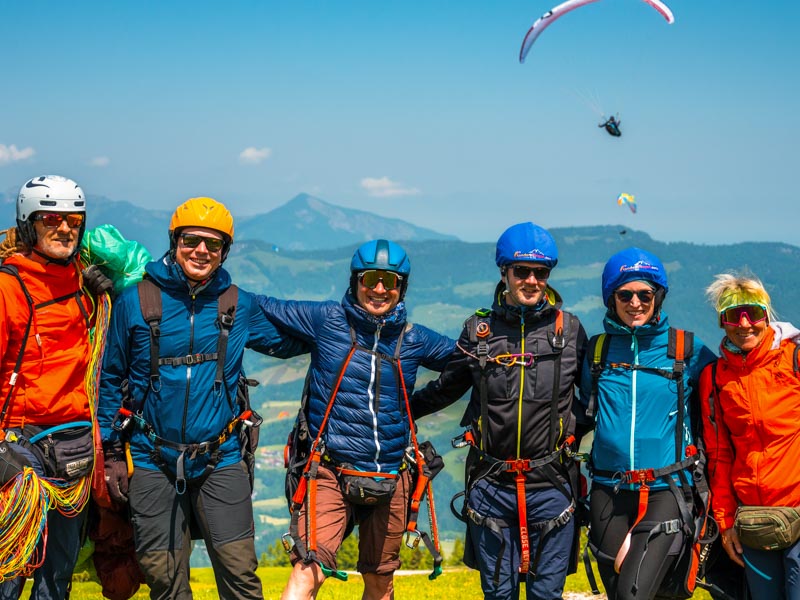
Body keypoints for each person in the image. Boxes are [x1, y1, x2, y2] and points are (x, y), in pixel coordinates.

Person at [97, 197, 306, 600]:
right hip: (150, 458)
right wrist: (109, 453)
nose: (201, 252)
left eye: (214, 245)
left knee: (240, 573)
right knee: (164, 578)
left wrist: (342, 330)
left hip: (220, 457)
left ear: (225, 252)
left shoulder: (236, 304)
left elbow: (287, 342)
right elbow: (109, 379)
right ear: (174, 242)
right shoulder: (136, 302)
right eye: (192, 240)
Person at [257, 239, 454, 600]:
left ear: (401, 288)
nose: (379, 289)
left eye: (390, 281)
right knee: (307, 569)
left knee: (380, 582)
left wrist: (416, 405)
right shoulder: (327, 320)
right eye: (370, 279)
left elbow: (463, 364)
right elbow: (261, 308)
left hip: (391, 475)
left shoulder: (414, 339)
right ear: (355, 282)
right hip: (329, 471)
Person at [411, 221, 588, 600]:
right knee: (498, 596)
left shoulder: (570, 331)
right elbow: (446, 389)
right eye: (520, 271)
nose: (531, 280)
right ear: (504, 273)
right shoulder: (479, 331)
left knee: (546, 596)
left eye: (540, 273)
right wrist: (398, 412)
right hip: (492, 484)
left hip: (552, 483)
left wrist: (572, 430)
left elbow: (592, 398)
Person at [576, 247, 716, 600]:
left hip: (668, 488)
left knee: (632, 594)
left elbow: (728, 387)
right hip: (609, 490)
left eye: (645, 294)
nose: (635, 302)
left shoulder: (686, 349)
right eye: (625, 294)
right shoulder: (598, 351)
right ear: (612, 299)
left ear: (658, 297)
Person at [0, 175, 112, 599]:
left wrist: (112, 291)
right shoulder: (8, 288)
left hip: (73, 443)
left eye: (73, 220)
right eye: (51, 218)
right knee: (8, 568)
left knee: (57, 577)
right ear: (30, 224)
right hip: (18, 444)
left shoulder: (86, 285)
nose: (64, 228)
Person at [699, 272, 800, 600]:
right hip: (752, 520)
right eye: (733, 315)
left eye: (753, 313)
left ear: (766, 315)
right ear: (721, 322)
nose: (745, 324)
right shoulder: (715, 378)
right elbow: (719, 454)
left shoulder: (795, 359)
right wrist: (726, 522)